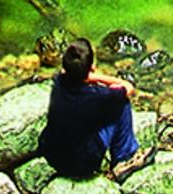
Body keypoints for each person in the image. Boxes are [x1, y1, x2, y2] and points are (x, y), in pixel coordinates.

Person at [37, 36, 146, 179]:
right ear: (91, 69)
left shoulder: (59, 81)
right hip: (82, 165)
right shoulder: (96, 96)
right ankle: (124, 158)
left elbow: (70, 77)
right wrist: (96, 77)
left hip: (53, 156)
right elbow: (127, 87)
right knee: (122, 104)